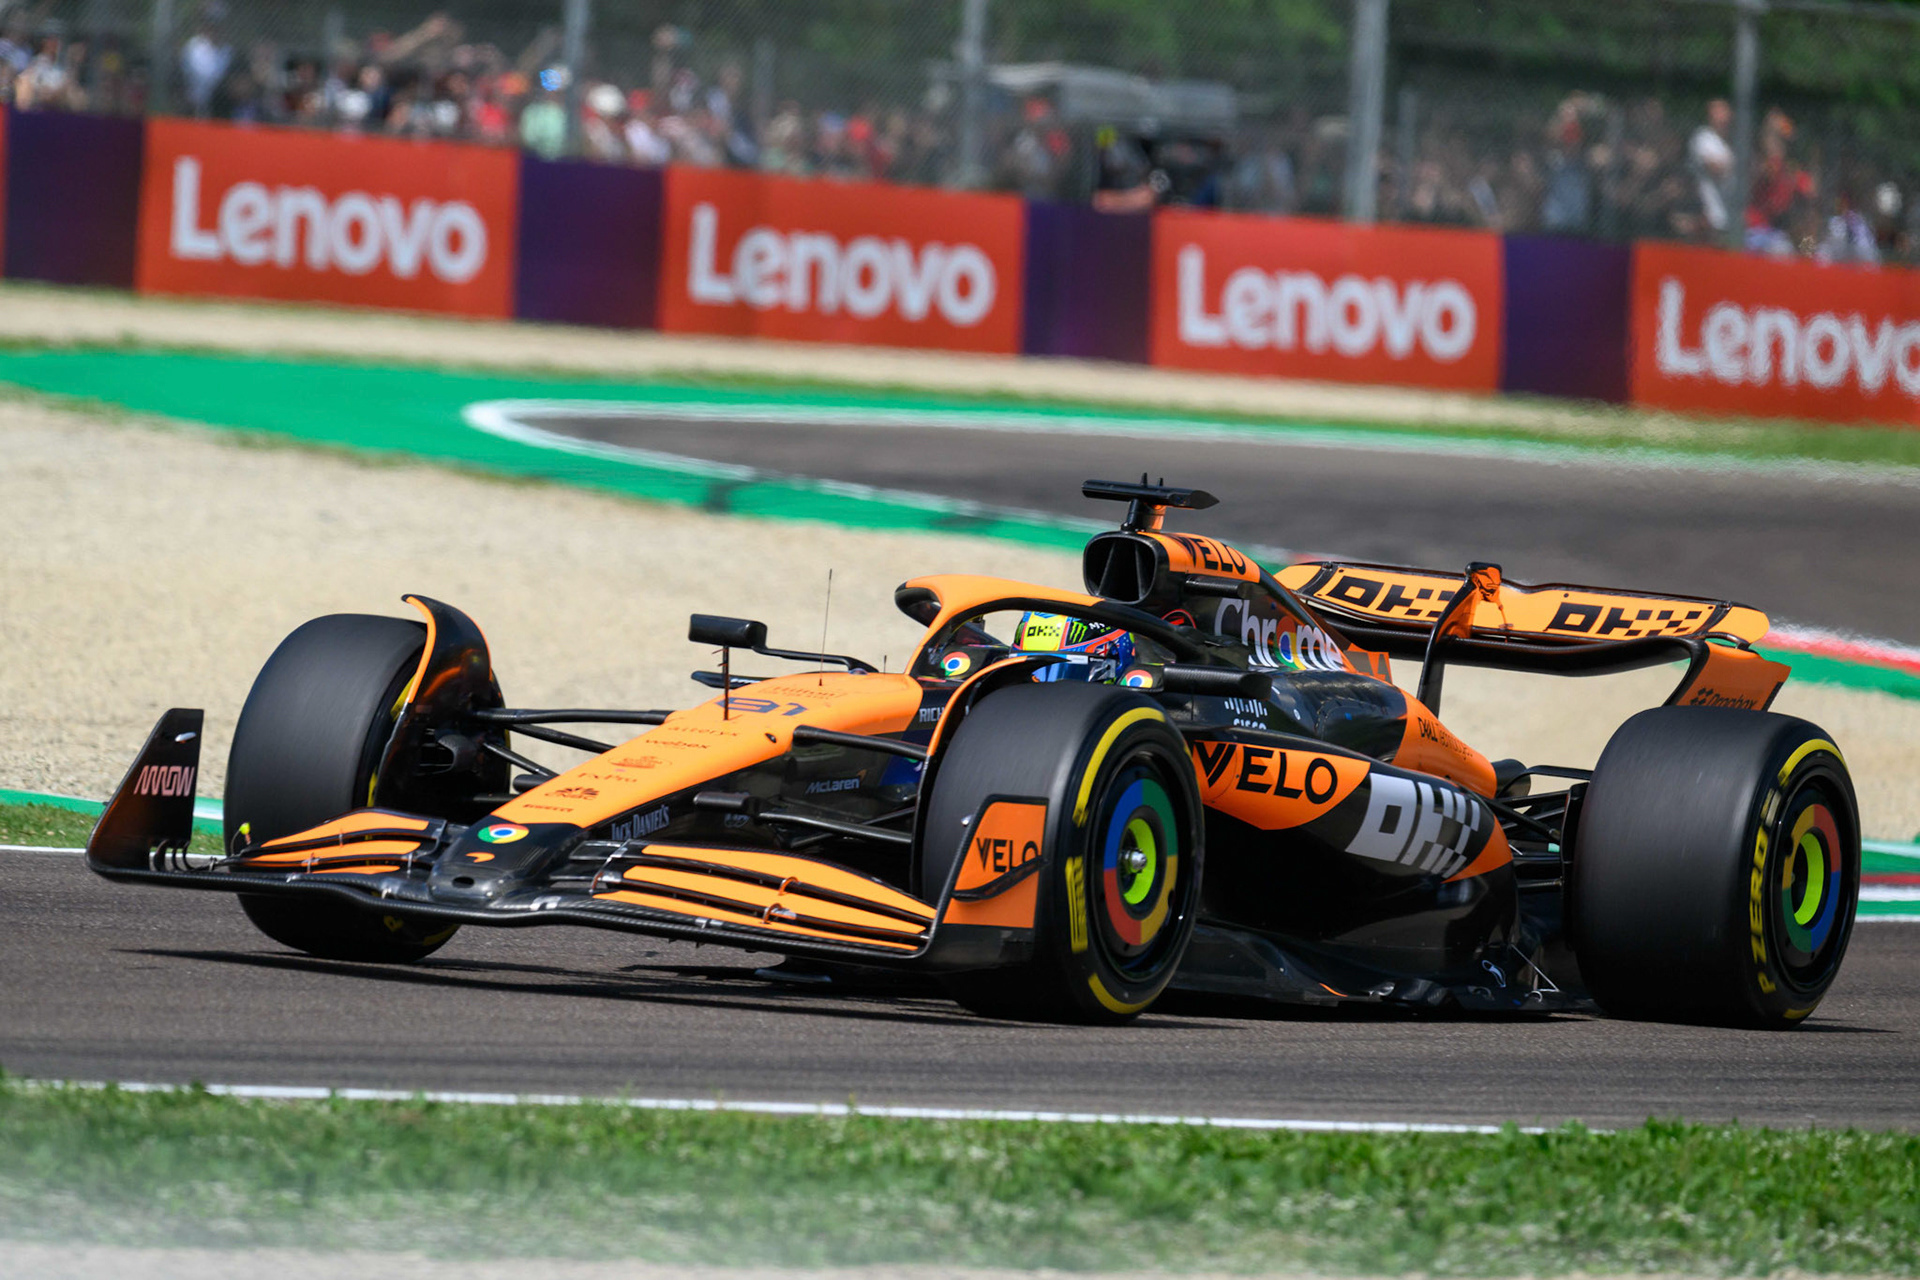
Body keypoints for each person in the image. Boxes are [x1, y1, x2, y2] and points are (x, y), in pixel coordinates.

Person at [1688, 99, 1735, 237]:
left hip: (1731, 215)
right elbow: (1714, 169)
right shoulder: (1704, 137)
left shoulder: (1731, 143)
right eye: (1718, 112)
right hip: (1710, 213)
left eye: (1725, 112)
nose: (1723, 116)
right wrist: (1738, 166)